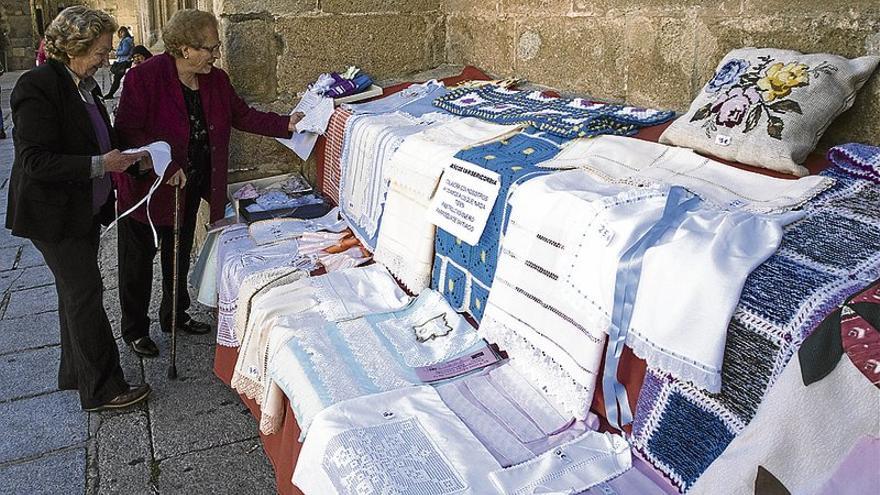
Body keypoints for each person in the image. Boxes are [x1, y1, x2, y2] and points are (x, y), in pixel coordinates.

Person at [114, 9, 303, 357]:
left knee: (179, 252)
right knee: (137, 263)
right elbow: (128, 131)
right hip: (149, 190)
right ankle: (135, 330)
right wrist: (164, 165)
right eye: (210, 47)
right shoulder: (144, 78)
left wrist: (286, 124)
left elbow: (242, 115)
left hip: (191, 183)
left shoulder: (215, 80)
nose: (216, 54)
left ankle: (175, 314)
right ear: (185, 49)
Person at [6, 6, 152, 411]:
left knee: (74, 292)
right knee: (85, 293)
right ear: (74, 47)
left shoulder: (81, 83)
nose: (106, 59)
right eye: (101, 51)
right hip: (52, 215)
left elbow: (95, 135)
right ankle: (104, 388)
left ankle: (75, 371)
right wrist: (100, 165)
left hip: (82, 211)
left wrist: (130, 155)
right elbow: (35, 161)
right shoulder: (37, 85)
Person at [105, 26, 132, 98]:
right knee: (118, 78)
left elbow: (125, 51)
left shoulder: (126, 40)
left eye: (123, 32)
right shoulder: (126, 40)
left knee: (117, 78)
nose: (121, 34)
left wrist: (116, 53)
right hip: (124, 61)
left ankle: (110, 94)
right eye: (120, 32)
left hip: (124, 62)